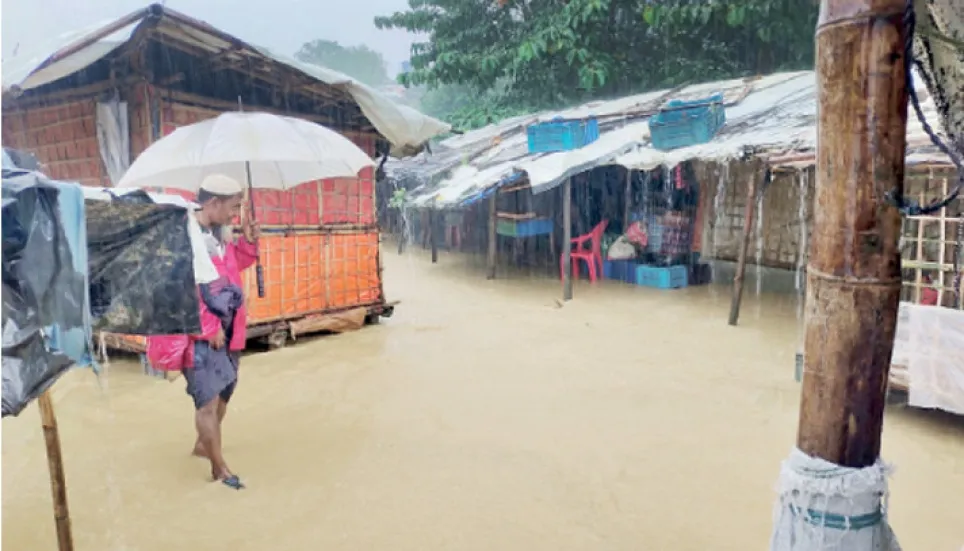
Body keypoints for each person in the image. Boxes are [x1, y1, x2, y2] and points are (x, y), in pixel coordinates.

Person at [187, 173, 259, 489]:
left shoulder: (219, 234)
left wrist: (249, 242)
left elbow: (230, 270)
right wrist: (209, 325)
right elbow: (185, 287)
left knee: (225, 392)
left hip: (230, 329)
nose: (236, 212)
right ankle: (219, 470)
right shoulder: (186, 236)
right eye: (234, 205)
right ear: (213, 202)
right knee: (207, 400)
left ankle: (205, 447)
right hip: (205, 332)